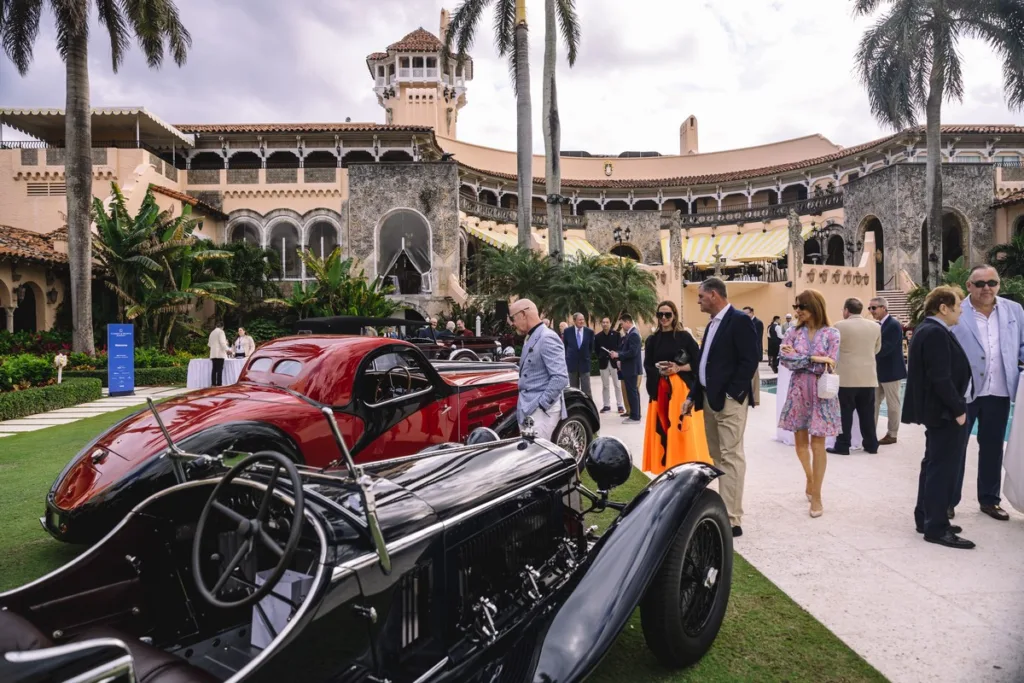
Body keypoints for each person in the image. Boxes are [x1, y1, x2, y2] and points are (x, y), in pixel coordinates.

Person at [685, 277, 759, 536]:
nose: (699, 301)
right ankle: (724, 507)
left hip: (729, 401)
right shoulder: (711, 325)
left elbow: (751, 359)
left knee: (731, 456)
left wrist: (733, 393)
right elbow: (704, 364)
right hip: (708, 399)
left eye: (701, 297)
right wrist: (693, 395)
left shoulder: (739, 321)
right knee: (718, 457)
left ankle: (732, 518)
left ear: (714, 295)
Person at [902, 286, 974, 549]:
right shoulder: (935, 332)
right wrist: (958, 410)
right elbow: (940, 378)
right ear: (944, 307)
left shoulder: (929, 329)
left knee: (933, 465)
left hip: (937, 412)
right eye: (958, 305)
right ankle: (936, 527)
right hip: (943, 414)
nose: (961, 310)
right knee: (943, 469)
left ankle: (927, 517)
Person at [950, 265, 1024, 522]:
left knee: (993, 447)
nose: (986, 288)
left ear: (999, 284)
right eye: (980, 283)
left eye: (992, 282)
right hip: (966, 392)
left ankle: (990, 500)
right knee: (956, 446)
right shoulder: (957, 310)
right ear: (969, 285)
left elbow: (1022, 345)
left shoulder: (1014, 310)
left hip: (1000, 390)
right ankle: (949, 501)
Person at [779, 289, 840, 517]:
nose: (797, 311)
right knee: (801, 444)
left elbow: (832, 363)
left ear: (813, 307)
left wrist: (802, 359)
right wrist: (814, 358)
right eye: (796, 307)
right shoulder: (793, 332)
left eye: (801, 307)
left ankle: (817, 495)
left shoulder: (832, 333)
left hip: (822, 394)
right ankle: (810, 478)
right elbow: (785, 360)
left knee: (818, 445)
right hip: (798, 392)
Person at [642, 301, 710, 475]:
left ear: (674, 316)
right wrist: (660, 371)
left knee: (681, 428)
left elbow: (698, 361)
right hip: (660, 389)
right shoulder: (652, 340)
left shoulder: (684, 337)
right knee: (664, 426)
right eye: (660, 315)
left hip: (680, 391)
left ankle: (685, 463)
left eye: (667, 315)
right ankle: (665, 465)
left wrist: (678, 368)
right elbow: (647, 365)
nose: (663, 318)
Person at [509, 299, 569, 440]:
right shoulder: (531, 337)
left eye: (514, 318)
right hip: (528, 409)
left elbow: (560, 377)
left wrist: (541, 405)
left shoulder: (547, 338)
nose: (513, 323)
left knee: (537, 457)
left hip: (541, 412)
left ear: (523, 314)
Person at [828, 298, 881, 456]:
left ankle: (843, 445)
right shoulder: (875, 326)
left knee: (844, 414)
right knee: (867, 414)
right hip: (868, 376)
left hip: (846, 377)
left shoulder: (839, 326)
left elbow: (833, 350)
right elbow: (877, 349)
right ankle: (871, 444)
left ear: (846, 310)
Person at [870, 297, 906, 445]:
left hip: (891, 371)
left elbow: (887, 348)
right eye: (870, 308)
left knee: (892, 404)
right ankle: (870, 431)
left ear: (884, 308)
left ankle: (892, 434)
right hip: (878, 371)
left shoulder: (893, 325)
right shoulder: (878, 325)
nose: (871, 311)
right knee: (874, 402)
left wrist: (869, 353)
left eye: (874, 308)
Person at [609, 313, 643, 424]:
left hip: (631, 369)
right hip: (629, 368)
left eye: (622, 323)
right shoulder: (630, 334)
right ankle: (635, 414)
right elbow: (626, 350)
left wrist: (618, 355)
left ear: (628, 322)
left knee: (632, 392)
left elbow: (633, 352)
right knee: (633, 392)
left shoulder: (634, 334)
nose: (622, 326)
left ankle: (635, 417)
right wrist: (617, 354)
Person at [594, 317, 624, 414]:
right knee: (605, 386)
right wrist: (601, 356)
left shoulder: (616, 335)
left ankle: (620, 405)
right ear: (601, 324)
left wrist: (616, 355)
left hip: (614, 363)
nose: (605, 324)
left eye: (607, 322)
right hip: (603, 363)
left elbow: (620, 348)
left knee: (617, 385)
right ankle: (606, 405)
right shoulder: (598, 336)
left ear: (610, 323)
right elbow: (596, 350)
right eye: (603, 322)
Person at [563, 312, 595, 398]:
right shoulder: (567, 332)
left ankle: (588, 408)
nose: (582, 321)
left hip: (585, 363)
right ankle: (576, 408)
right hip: (572, 364)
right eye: (579, 320)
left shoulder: (589, 332)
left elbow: (591, 348)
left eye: (583, 319)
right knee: (574, 389)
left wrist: (587, 356)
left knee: (586, 389)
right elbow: (565, 347)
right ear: (574, 321)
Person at [743, 306, 764, 406]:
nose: (745, 315)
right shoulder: (745, 322)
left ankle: (755, 399)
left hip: (754, 353)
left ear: (752, 313)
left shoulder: (758, 323)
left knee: (755, 376)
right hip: (747, 353)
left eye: (747, 313)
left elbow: (757, 340)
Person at [208, 323, 229, 387]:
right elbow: (222, 343)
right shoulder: (221, 332)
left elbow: (209, 344)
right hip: (219, 353)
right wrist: (227, 349)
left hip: (213, 353)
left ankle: (213, 383)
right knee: (220, 369)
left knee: (214, 369)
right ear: (222, 327)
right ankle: (219, 384)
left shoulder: (212, 332)